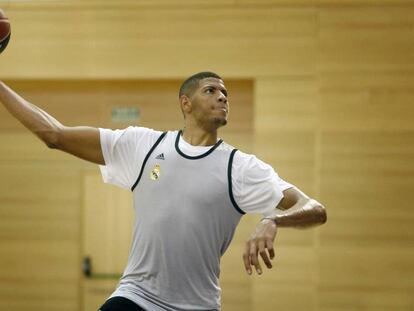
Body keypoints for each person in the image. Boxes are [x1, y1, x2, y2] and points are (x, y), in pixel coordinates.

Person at [0, 72, 327, 311]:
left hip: (196, 305)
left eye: (226, 92)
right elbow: (54, 134)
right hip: (136, 296)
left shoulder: (241, 168)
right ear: (185, 103)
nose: (223, 97)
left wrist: (273, 219)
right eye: (211, 90)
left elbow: (314, 208)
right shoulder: (143, 145)